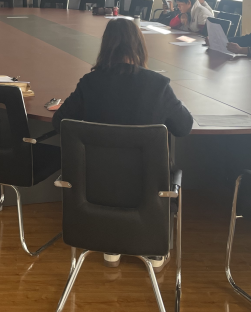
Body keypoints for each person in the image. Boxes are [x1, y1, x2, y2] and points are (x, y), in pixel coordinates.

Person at [53, 18, 193, 270]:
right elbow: (184, 127)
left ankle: (111, 244)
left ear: (105, 46)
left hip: (96, 186)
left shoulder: (89, 83)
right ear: (139, 46)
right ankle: (153, 249)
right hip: (148, 188)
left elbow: (59, 122)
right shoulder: (157, 85)